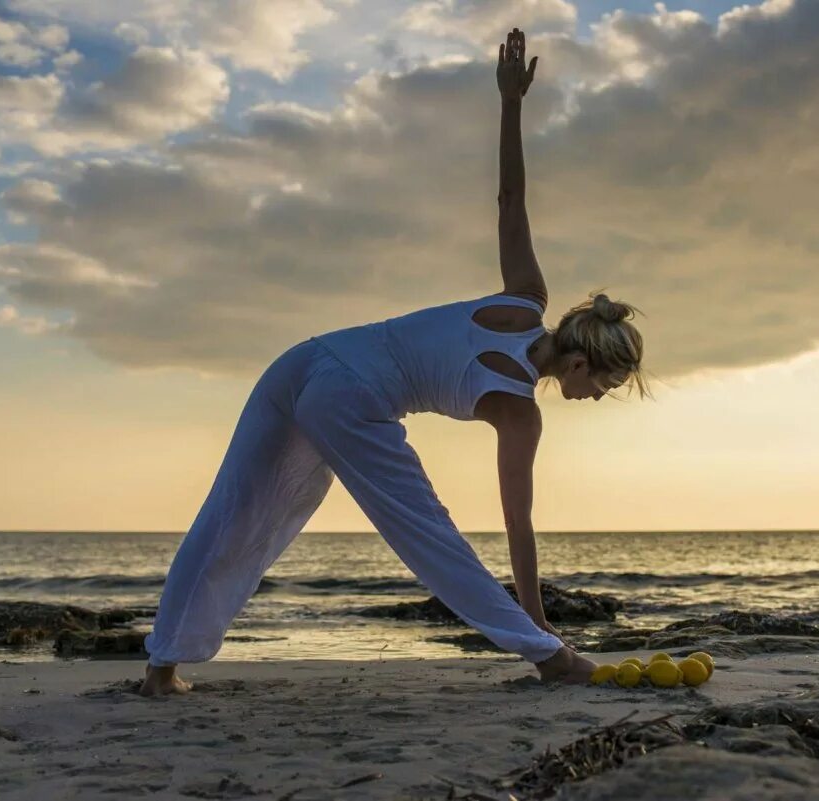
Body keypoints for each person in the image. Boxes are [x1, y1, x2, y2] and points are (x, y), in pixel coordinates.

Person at [139, 27, 649, 696]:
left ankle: (160, 669)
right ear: (582, 363)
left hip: (304, 360)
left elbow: (510, 202)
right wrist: (541, 621)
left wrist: (509, 103)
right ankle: (549, 656)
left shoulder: (526, 297)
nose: (597, 399)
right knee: (428, 533)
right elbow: (516, 525)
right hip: (346, 397)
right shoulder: (519, 412)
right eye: (605, 386)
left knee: (230, 511)